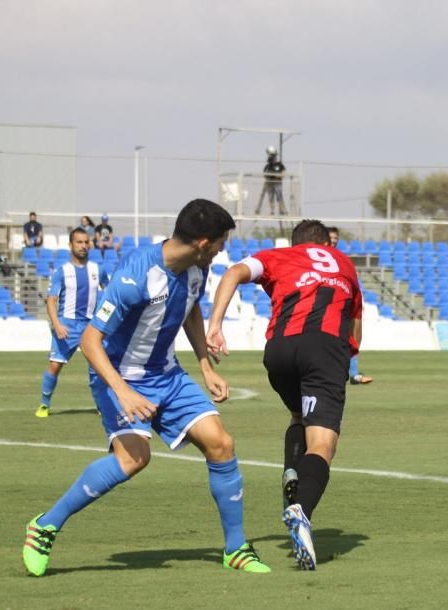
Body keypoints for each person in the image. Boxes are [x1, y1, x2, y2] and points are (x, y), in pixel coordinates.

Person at [22, 199, 270, 576]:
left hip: (166, 373)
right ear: (203, 243)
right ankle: (45, 526)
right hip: (118, 374)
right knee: (133, 458)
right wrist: (123, 391)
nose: (224, 249)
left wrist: (205, 366)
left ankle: (235, 548)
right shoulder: (136, 274)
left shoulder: (196, 270)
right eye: (221, 242)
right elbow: (90, 342)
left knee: (221, 443)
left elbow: (190, 309)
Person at [206, 219, 363, 571]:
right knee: (321, 444)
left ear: (296, 244)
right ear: (327, 244)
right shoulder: (345, 265)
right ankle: (301, 511)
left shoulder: (278, 256)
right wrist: (346, 358)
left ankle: (292, 474)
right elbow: (355, 325)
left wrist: (214, 324)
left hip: (278, 350)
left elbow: (232, 273)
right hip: (323, 350)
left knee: (298, 416)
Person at [35, 228, 107, 418]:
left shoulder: (98, 270)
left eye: (86, 242)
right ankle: (44, 404)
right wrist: (57, 325)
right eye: (79, 242)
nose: (83, 246)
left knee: (97, 367)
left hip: (91, 326)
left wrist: (105, 319)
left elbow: (110, 296)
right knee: (55, 366)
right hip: (68, 325)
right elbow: (51, 300)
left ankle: (102, 406)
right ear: (70, 245)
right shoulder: (62, 272)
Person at [328, 225, 372, 385]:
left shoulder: (341, 259)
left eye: (336, 239)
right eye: (330, 238)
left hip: (343, 301)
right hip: (325, 305)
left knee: (353, 335)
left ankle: (353, 373)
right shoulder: (318, 259)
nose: (333, 242)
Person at [254, 146, 288, 216]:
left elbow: (283, 174)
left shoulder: (279, 165)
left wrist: (276, 176)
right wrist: (269, 176)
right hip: (269, 183)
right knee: (271, 197)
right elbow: (265, 174)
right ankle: (272, 210)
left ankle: (283, 210)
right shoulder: (268, 165)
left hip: (277, 183)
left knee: (279, 196)